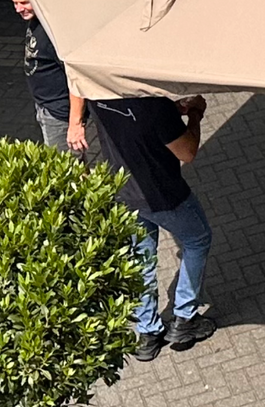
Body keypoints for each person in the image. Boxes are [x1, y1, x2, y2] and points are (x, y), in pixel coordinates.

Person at [91, 92, 217, 361]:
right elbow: (188, 151)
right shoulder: (155, 107)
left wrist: (175, 110)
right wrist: (194, 114)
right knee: (197, 239)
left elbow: (130, 123)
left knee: (141, 258)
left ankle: (147, 332)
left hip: (122, 190)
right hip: (163, 195)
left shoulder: (98, 94)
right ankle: (185, 318)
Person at [10, 0, 91, 157]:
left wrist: (75, 124)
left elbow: (76, 77)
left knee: (65, 169)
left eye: (24, 2)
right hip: (46, 108)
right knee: (71, 167)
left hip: (60, 114)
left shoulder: (54, 34)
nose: (18, 9)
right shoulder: (37, 20)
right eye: (15, 3)